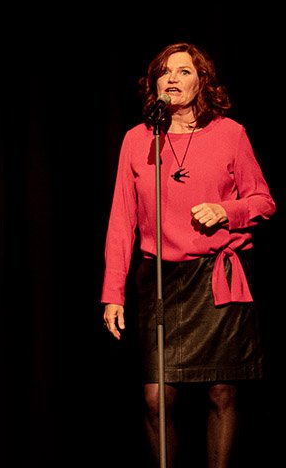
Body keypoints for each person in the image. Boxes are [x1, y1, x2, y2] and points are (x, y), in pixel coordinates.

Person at [100, 42, 276, 467]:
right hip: (162, 281)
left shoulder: (230, 133)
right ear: (154, 84)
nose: (172, 78)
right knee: (156, 398)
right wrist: (113, 293)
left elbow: (264, 201)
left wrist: (227, 210)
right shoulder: (138, 140)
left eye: (183, 71)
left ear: (203, 82)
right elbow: (122, 220)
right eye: (164, 72)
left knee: (221, 392)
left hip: (218, 275)